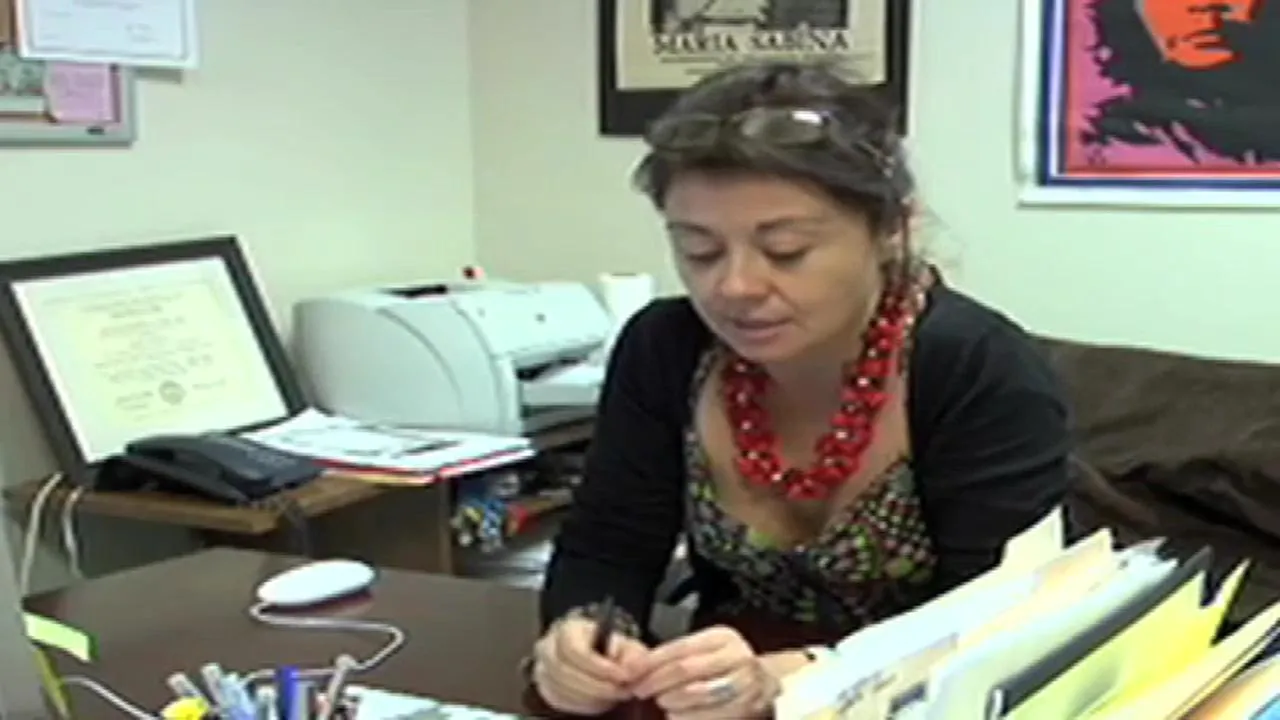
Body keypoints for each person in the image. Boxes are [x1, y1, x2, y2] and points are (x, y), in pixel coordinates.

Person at [530, 60, 1072, 719]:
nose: (734, 287)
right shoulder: (665, 347)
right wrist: (587, 633)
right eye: (699, 251)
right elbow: (607, 544)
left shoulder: (976, 366)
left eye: (785, 250)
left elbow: (999, 613)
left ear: (890, 229)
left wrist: (808, 673)